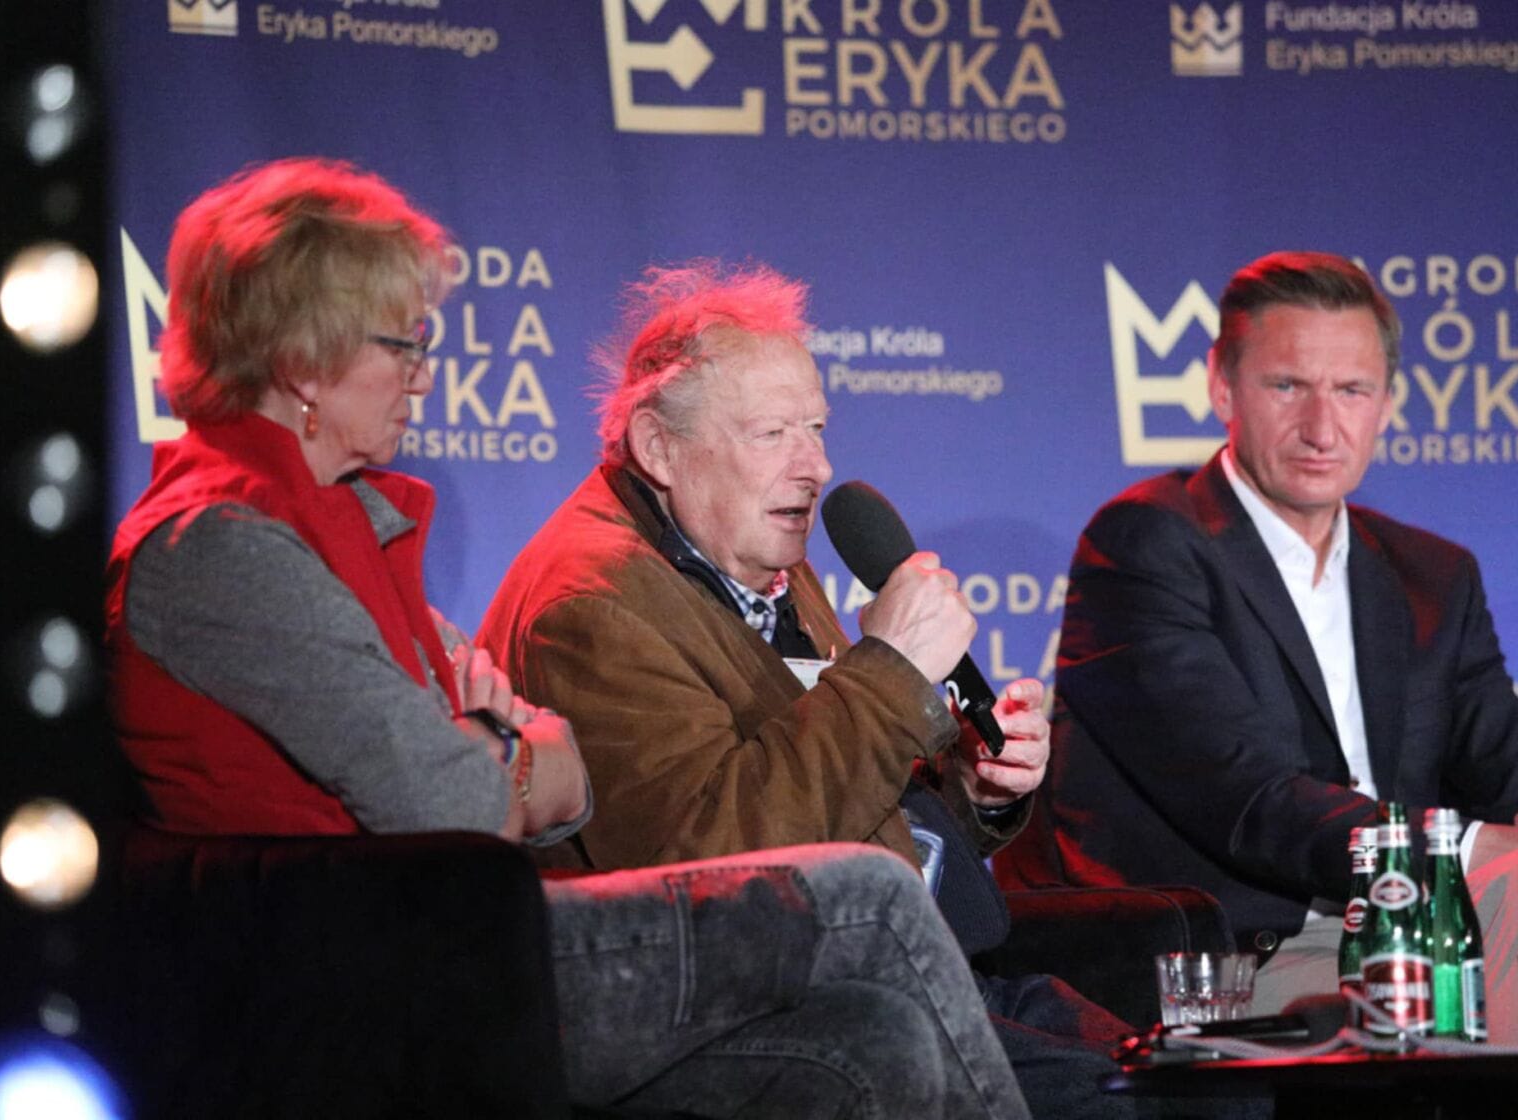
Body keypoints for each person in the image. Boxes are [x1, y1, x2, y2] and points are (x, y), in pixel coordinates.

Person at [104, 158, 1027, 1119]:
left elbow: (557, 781)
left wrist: (494, 750)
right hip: (352, 982)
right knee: (868, 899)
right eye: (403, 342)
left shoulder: (340, 525)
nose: (426, 374)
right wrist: (505, 746)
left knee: (874, 1043)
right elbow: (457, 800)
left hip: (438, 938)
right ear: (304, 360)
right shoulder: (221, 548)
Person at [476, 262, 1146, 1120]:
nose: (817, 466)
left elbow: (839, 792)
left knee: (1194, 1080)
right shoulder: (591, 610)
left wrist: (971, 788)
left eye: (818, 428)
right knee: (1116, 1102)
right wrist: (890, 671)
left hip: (904, 966)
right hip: (761, 1015)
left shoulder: (751, 553)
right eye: (772, 434)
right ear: (658, 448)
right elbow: (713, 867)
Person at [1012, 250, 1518, 1043]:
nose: (1322, 428)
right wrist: (1467, 847)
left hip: (1415, 932)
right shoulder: (1147, 543)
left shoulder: (1433, 574)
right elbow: (1244, 796)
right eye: (1288, 386)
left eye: (1351, 390)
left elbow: (1517, 773)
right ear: (1222, 388)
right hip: (1236, 955)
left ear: (1387, 404)